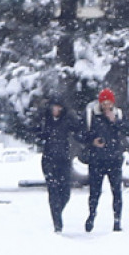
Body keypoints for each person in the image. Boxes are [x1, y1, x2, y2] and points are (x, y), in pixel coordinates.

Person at [83, 88, 129, 232]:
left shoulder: (118, 115)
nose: (106, 106)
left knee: (117, 192)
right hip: (97, 160)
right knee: (94, 192)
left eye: (109, 103)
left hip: (114, 159)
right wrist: (92, 141)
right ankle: (92, 215)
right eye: (104, 102)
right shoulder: (92, 115)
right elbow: (82, 134)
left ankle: (117, 220)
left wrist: (114, 121)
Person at [36, 98, 78, 232]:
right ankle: (57, 223)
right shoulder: (45, 121)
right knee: (53, 191)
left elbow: (78, 129)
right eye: (54, 107)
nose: (56, 110)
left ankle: (57, 211)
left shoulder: (66, 121)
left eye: (59, 108)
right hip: (49, 160)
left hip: (64, 160)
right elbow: (36, 132)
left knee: (65, 193)